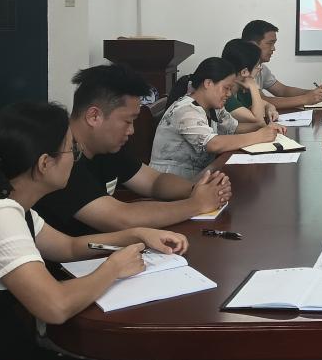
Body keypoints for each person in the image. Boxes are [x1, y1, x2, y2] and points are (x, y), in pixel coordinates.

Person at [0, 101, 188, 360]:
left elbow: (68, 247)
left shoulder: (10, 202)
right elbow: (56, 306)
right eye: (70, 149)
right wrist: (114, 268)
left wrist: (135, 235)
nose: (74, 158)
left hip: (5, 346)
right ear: (45, 163)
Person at [36, 64, 232, 237]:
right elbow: (121, 217)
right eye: (127, 121)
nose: (131, 131)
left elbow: (154, 181)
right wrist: (196, 204)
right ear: (94, 116)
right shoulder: (60, 159)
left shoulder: (106, 147)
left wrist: (197, 189)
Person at [150, 56, 281, 180]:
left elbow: (234, 128)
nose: (229, 94)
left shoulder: (214, 107)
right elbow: (213, 144)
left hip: (199, 175)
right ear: (208, 83)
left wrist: (263, 127)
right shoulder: (186, 110)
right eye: (226, 88)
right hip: (171, 180)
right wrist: (259, 136)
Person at [242, 19, 322, 110]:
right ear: (252, 45)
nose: (273, 48)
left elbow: (282, 90)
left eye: (274, 43)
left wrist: (312, 93)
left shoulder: (261, 68)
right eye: (270, 43)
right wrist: (305, 99)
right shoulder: (242, 70)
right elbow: (262, 101)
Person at [221, 38, 278, 126]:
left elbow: (267, 104)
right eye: (257, 66)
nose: (260, 69)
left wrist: (270, 109)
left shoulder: (241, 89)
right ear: (244, 72)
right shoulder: (225, 95)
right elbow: (258, 121)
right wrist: (253, 86)